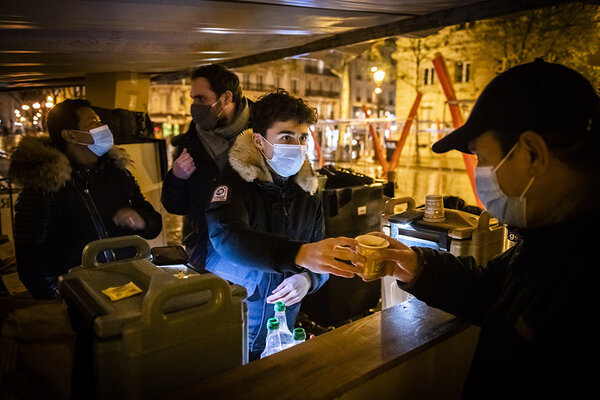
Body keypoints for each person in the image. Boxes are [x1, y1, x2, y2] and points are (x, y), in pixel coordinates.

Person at [364, 60, 599, 399]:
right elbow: (493, 290)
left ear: (533, 154)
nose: (481, 174)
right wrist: (418, 266)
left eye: (484, 160)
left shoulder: (583, 272)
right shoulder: (548, 237)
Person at [205, 89, 360, 360]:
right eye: (286, 137)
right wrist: (297, 254)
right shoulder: (233, 186)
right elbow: (227, 238)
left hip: (282, 327)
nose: (297, 145)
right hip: (237, 322)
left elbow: (318, 251)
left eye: (301, 138)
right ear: (259, 141)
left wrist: (309, 279)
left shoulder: (308, 193)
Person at [9, 99, 162, 300]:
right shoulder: (43, 188)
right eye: (93, 124)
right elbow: (32, 261)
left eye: (100, 122)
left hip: (129, 285)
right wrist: (61, 302)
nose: (103, 128)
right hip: (82, 297)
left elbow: (153, 223)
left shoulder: (117, 174)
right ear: (70, 135)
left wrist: (141, 220)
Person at [161, 64, 252, 269]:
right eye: (193, 98)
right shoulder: (189, 142)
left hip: (252, 250)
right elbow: (175, 206)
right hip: (206, 252)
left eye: (201, 98)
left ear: (226, 98)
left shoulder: (264, 131)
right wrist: (176, 177)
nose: (194, 105)